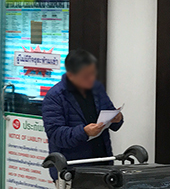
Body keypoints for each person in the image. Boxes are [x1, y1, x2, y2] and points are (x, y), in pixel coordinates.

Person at [42, 50, 122, 178]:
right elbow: (56, 134)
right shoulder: (55, 97)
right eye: (86, 75)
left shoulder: (97, 89)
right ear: (71, 75)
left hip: (102, 163)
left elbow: (111, 115)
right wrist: (84, 132)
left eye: (93, 73)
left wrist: (117, 118)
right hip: (72, 168)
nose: (91, 78)